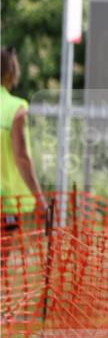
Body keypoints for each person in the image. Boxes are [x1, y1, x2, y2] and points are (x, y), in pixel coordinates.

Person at [1, 46, 46, 249]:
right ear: (11, 73)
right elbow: (22, 157)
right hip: (5, 205)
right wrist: (40, 200)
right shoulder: (15, 108)